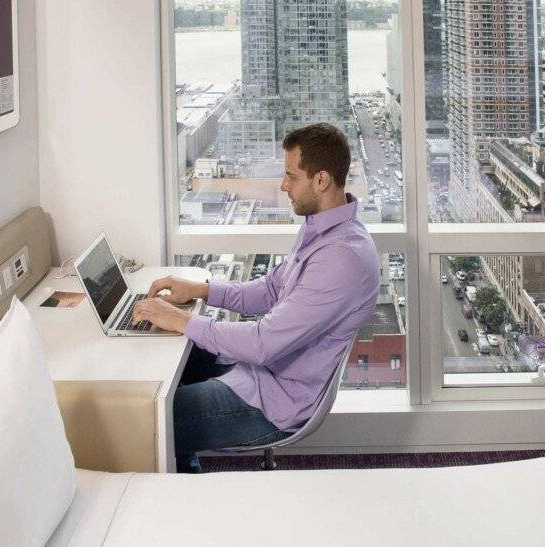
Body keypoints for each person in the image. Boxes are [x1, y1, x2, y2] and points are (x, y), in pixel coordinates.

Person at [132, 123, 379, 472]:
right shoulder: (324, 230)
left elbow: (263, 343)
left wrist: (183, 320)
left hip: (273, 400)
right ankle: (182, 464)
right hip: (263, 372)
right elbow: (270, 290)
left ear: (320, 180)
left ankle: (180, 496)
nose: (283, 185)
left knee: (149, 418)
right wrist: (203, 290)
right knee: (173, 363)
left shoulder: (341, 258)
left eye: (292, 176)